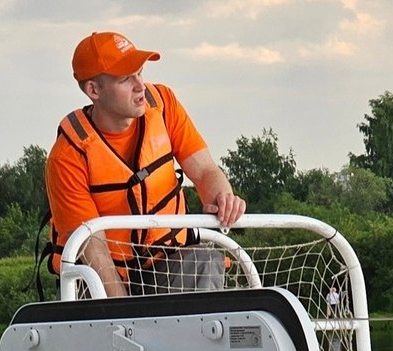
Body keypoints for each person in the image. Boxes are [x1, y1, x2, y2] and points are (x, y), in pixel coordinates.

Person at [45, 31, 246, 297]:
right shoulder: (68, 156)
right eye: (126, 78)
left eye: (140, 73)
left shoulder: (164, 106)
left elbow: (206, 170)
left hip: (165, 263)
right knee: (102, 298)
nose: (140, 85)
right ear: (94, 90)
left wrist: (223, 197)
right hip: (97, 279)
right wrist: (124, 315)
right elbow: (92, 248)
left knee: (205, 261)